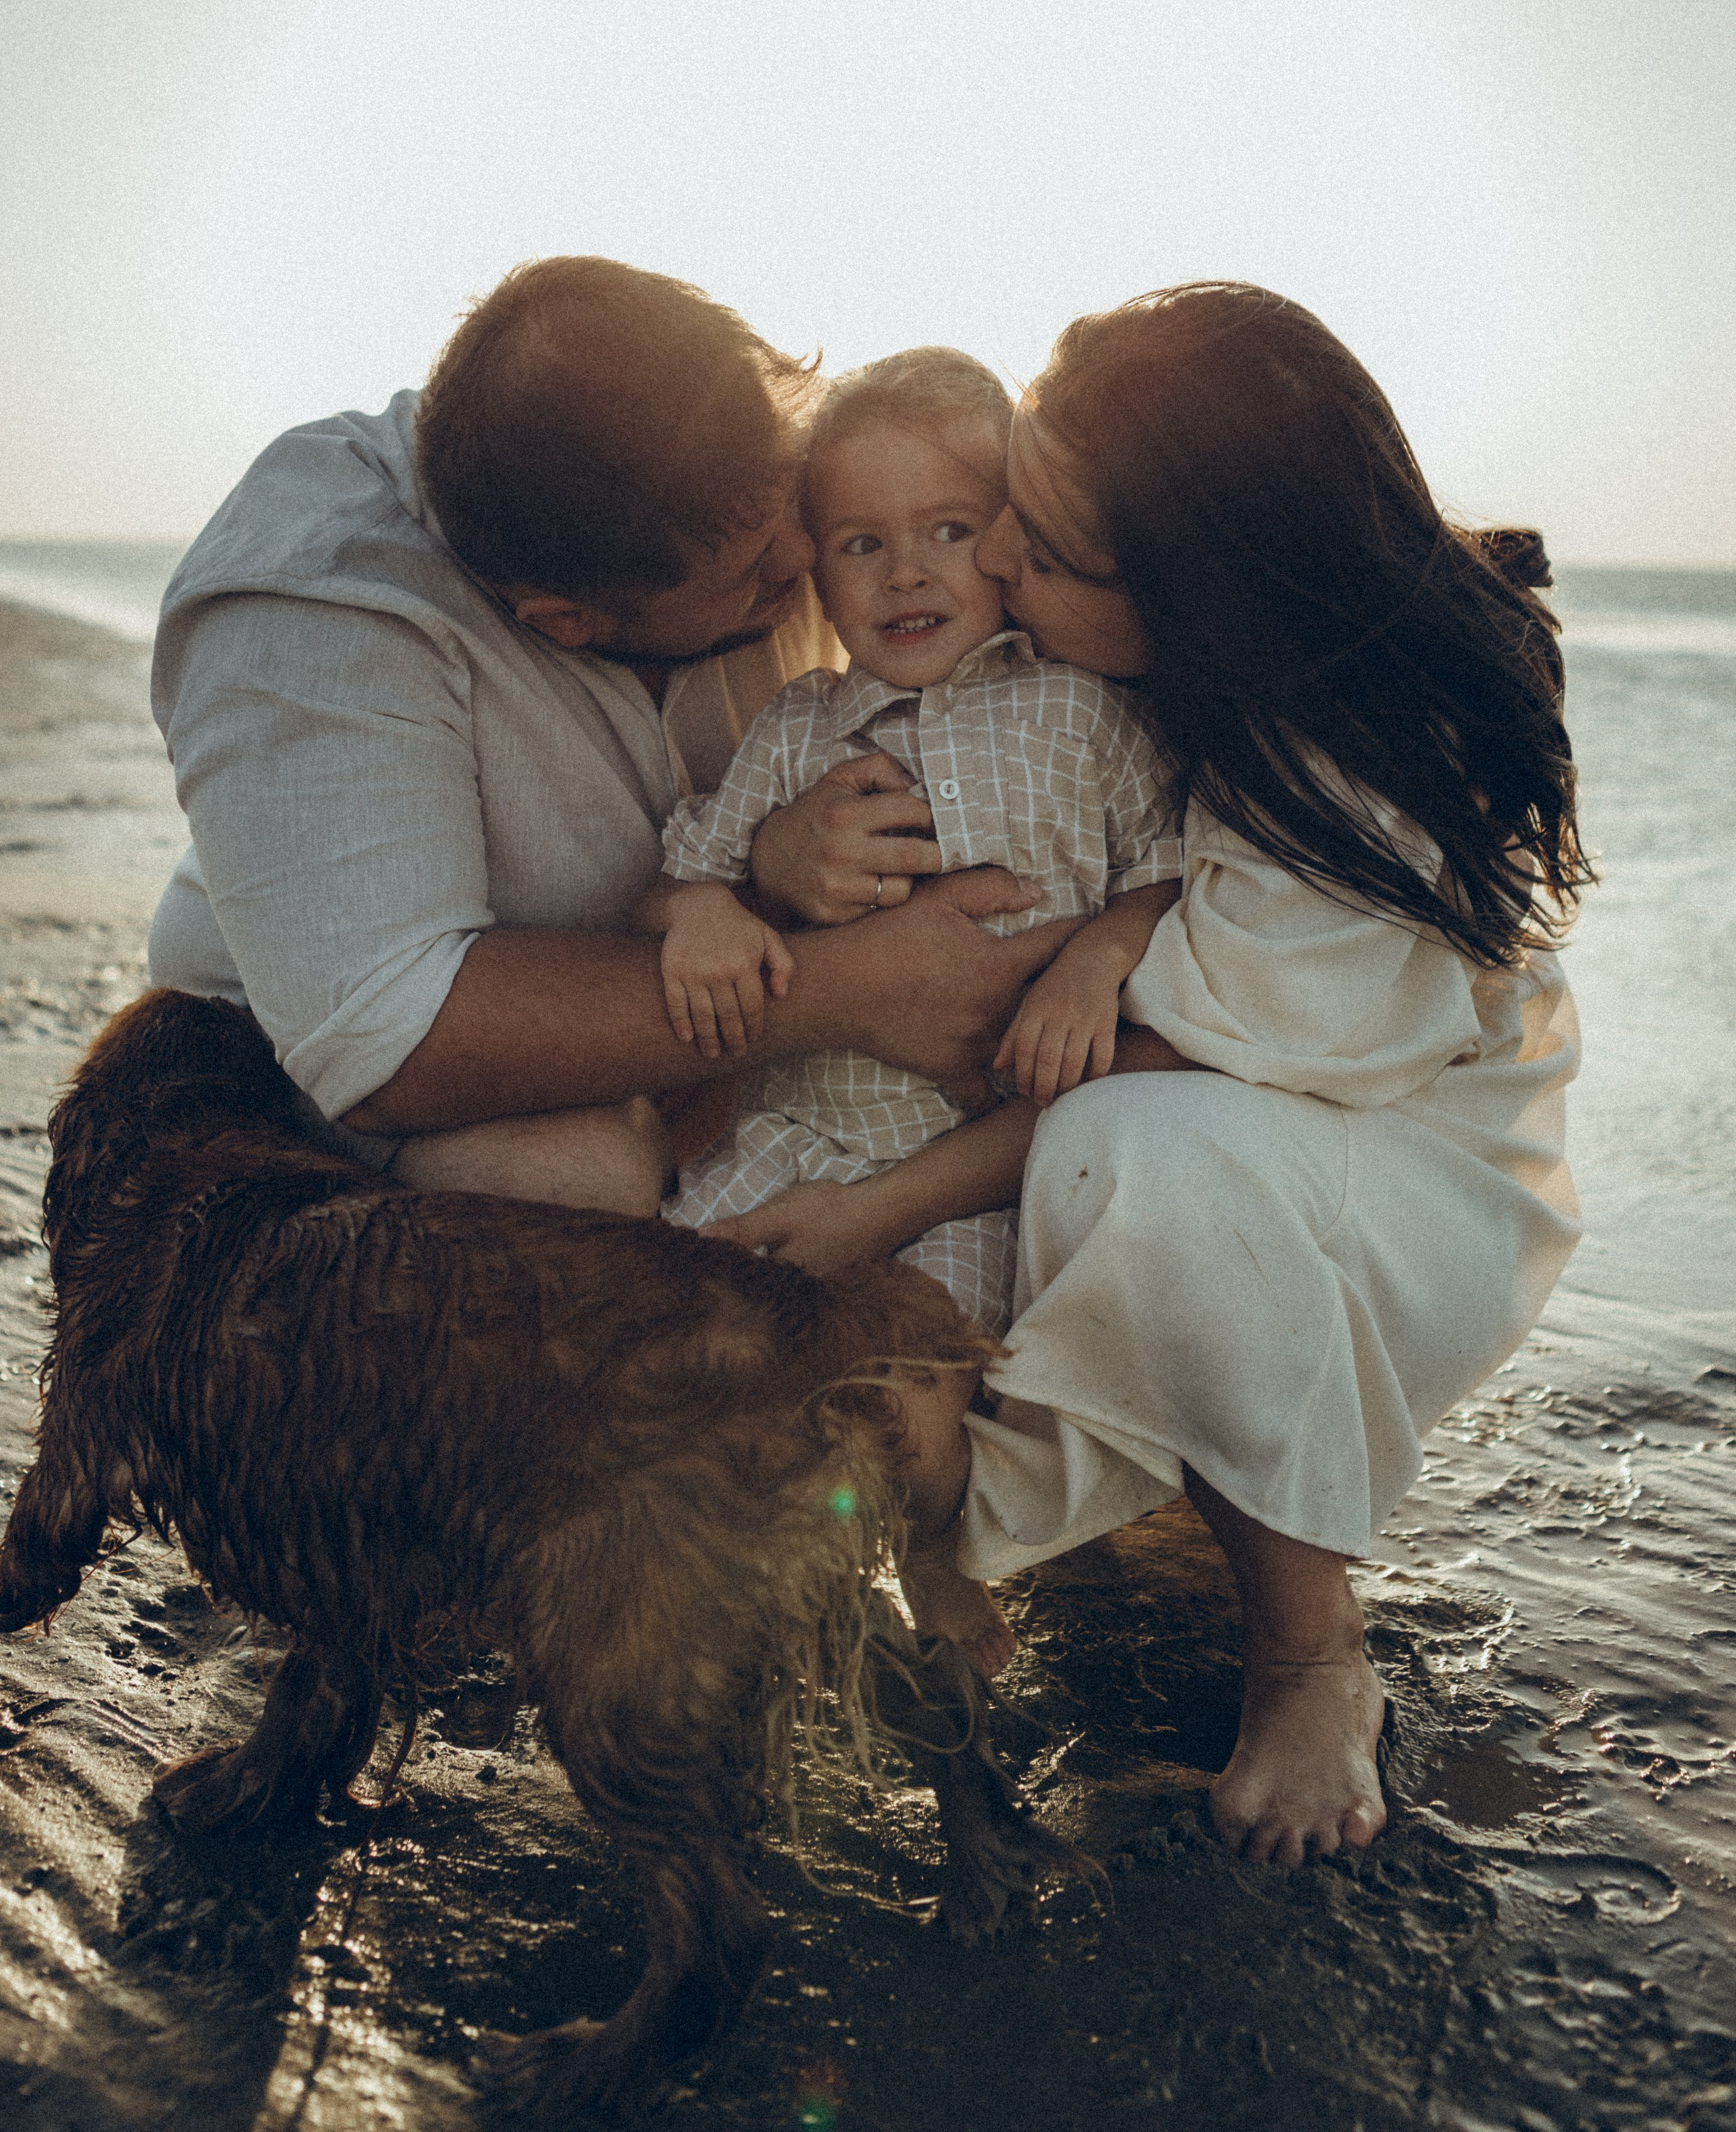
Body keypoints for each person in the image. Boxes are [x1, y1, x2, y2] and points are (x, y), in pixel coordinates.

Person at [726, 283, 1587, 1866]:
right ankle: (1103, 1521)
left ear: (1193, 588)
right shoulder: (1124, 677)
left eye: (1036, 552)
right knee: (1109, 1161)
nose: (988, 567)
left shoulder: (1365, 761)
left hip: (1402, 1171)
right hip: (1235, 1112)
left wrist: (869, 1206)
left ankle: (1311, 1652)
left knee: (1136, 1155)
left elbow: (1142, 1075)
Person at [147, 259, 1073, 1201]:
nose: (805, 560)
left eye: (795, 506)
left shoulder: (715, 452)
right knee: (576, 1179)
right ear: (566, 621)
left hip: (716, 979)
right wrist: (855, 990)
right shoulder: (311, 603)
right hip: (302, 1063)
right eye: (753, 571)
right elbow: (388, 1037)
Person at [632, 349, 1179, 1669]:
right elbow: (679, 878)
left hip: (964, 1172)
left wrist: (1092, 959)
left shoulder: (1081, 711)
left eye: (946, 530)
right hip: (790, 1126)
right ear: (814, 567)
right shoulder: (795, 726)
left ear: (1007, 540)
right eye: (862, 542)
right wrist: (713, 904)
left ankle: (930, 1564)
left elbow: (1165, 877)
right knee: (685, 1349)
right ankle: (732, 1584)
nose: (907, 572)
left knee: (920, 1408)